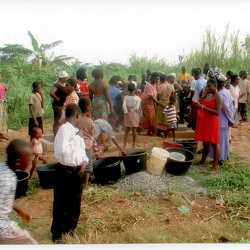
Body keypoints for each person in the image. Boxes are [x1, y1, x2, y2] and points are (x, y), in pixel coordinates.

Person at [51, 104, 89, 243]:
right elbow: (62, 151)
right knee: (61, 203)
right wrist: (77, 137)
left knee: (75, 203)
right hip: (65, 170)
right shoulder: (65, 130)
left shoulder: (75, 130)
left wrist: (84, 161)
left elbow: (81, 151)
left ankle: (70, 230)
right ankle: (57, 234)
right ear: (77, 115)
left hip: (77, 169)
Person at [0, 139, 37, 244]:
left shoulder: (2, 168)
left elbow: (4, 198)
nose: (30, 162)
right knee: (28, 241)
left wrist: (20, 211)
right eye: (29, 160)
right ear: (17, 162)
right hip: (2, 228)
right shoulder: (8, 180)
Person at [195, 78, 222, 174]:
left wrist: (203, 107)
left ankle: (215, 166)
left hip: (212, 122)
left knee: (214, 143)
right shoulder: (209, 95)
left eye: (210, 86)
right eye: (207, 86)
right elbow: (205, 105)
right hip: (205, 121)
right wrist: (200, 103)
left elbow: (217, 112)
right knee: (205, 142)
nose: (208, 88)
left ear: (216, 86)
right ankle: (202, 161)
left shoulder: (218, 97)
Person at [208, 76, 235, 165]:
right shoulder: (225, 91)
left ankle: (219, 159)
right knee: (223, 140)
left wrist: (231, 119)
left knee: (219, 141)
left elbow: (226, 108)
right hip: (224, 119)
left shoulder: (221, 94)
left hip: (221, 119)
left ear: (216, 85)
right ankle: (220, 158)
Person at [76, 97, 96, 190]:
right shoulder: (89, 121)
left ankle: (77, 182)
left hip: (77, 144)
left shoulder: (76, 119)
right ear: (88, 108)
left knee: (78, 163)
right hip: (87, 145)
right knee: (87, 164)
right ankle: (85, 185)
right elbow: (93, 133)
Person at [139, 72, 162, 136]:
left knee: (149, 117)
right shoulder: (148, 85)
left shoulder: (154, 85)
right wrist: (159, 103)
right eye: (156, 79)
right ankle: (151, 130)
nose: (157, 81)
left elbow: (154, 96)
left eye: (158, 79)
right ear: (153, 78)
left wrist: (155, 103)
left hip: (151, 102)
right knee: (150, 117)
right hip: (146, 102)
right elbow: (151, 96)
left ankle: (149, 130)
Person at [50, 71, 68, 136]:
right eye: (66, 78)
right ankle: (56, 136)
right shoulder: (57, 85)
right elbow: (51, 92)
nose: (66, 79)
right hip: (58, 105)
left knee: (58, 121)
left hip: (60, 105)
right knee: (57, 121)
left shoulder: (61, 85)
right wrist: (57, 99)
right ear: (63, 78)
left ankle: (57, 135)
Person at [123, 83, 141, 148]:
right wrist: (131, 110)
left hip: (127, 114)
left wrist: (126, 112)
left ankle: (124, 143)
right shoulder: (137, 98)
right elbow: (137, 107)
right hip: (134, 114)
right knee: (134, 130)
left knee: (127, 130)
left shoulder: (126, 97)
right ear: (135, 89)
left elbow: (124, 106)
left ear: (128, 89)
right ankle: (133, 144)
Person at [0, 72, 8, 140]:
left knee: (2, 118)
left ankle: (2, 134)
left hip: (2, 103)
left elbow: (6, 90)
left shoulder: (3, 84)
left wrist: (3, 94)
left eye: (0, 76)